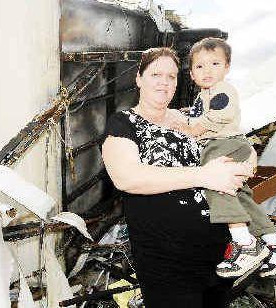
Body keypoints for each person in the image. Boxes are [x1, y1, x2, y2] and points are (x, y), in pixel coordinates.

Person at [102, 47, 253, 307]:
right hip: (166, 262)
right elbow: (127, 178)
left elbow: (235, 144)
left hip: (218, 253)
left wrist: (247, 163)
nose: (164, 82)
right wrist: (204, 175)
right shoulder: (123, 122)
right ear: (139, 78)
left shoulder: (189, 119)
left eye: (171, 77)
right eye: (156, 74)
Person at [171, 37, 276, 278]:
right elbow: (202, 113)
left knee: (217, 185)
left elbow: (217, 117)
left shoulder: (222, 90)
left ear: (227, 67)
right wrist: (188, 116)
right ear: (191, 74)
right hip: (225, 144)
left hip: (223, 144)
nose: (207, 70)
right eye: (200, 66)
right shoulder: (203, 95)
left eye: (215, 64)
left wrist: (190, 128)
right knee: (240, 195)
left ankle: (246, 244)